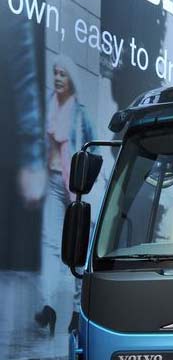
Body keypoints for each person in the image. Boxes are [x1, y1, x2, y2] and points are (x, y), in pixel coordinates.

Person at [34, 55, 95, 336]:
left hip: (76, 189)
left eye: (63, 74)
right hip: (53, 181)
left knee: (78, 253)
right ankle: (48, 306)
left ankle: (76, 311)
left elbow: (94, 149)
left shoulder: (80, 112)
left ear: (71, 79)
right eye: (55, 73)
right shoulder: (49, 105)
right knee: (49, 244)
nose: (58, 78)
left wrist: (85, 180)